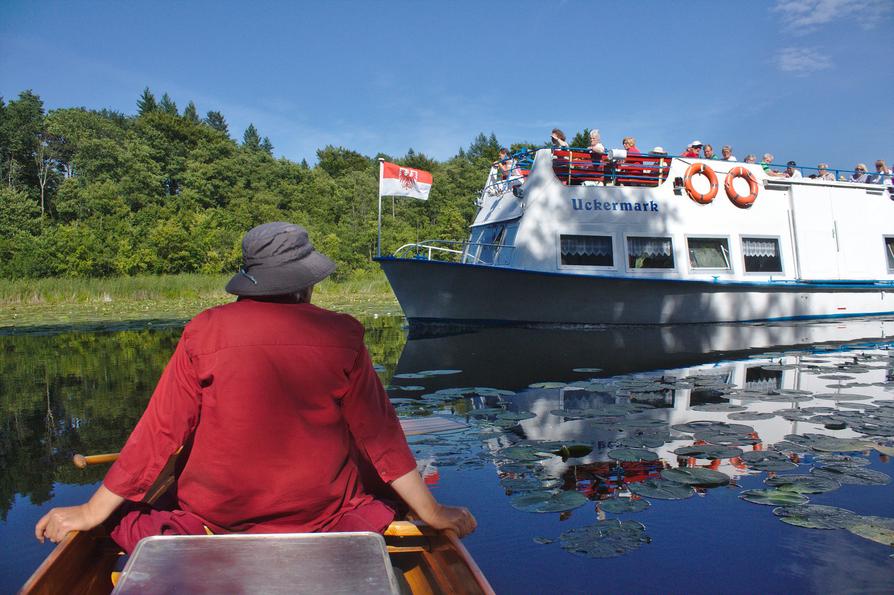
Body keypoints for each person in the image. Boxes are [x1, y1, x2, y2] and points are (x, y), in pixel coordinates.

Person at [35, 222, 477, 553]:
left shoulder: (202, 331)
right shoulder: (342, 335)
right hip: (318, 515)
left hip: (218, 518)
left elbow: (159, 434)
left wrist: (93, 512)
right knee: (370, 479)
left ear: (253, 280)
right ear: (305, 283)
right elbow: (381, 440)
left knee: (141, 508)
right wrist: (432, 513)